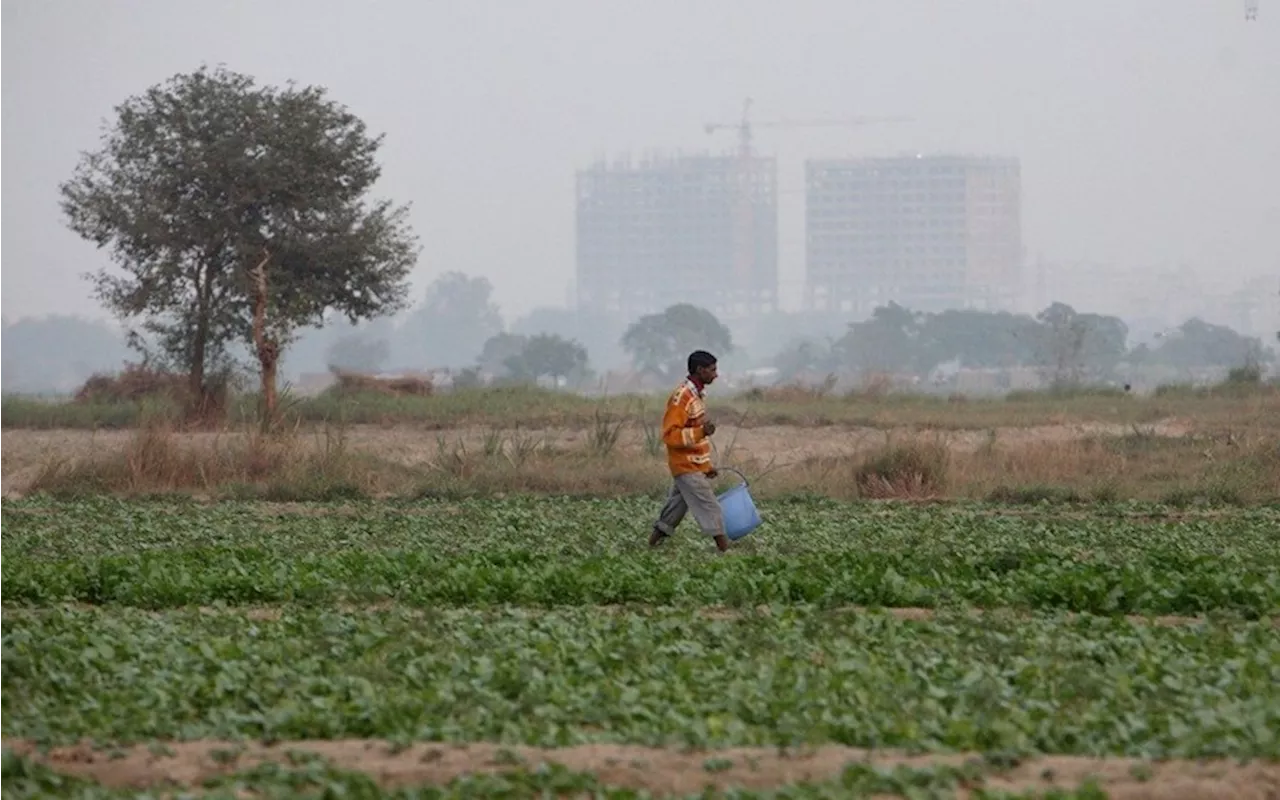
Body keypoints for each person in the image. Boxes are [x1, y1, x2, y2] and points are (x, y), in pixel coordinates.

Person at [649, 350, 731, 553]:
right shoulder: (681, 398)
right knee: (710, 507)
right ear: (700, 370)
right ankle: (725, 551)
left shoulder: (696, 395)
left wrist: (706, 466)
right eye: (712, 370)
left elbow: (694, 438)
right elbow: (670, 436)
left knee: (675, 507)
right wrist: (702, 431)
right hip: (685, 466)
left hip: (692, 464)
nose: (716, 374)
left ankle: (652, 544)